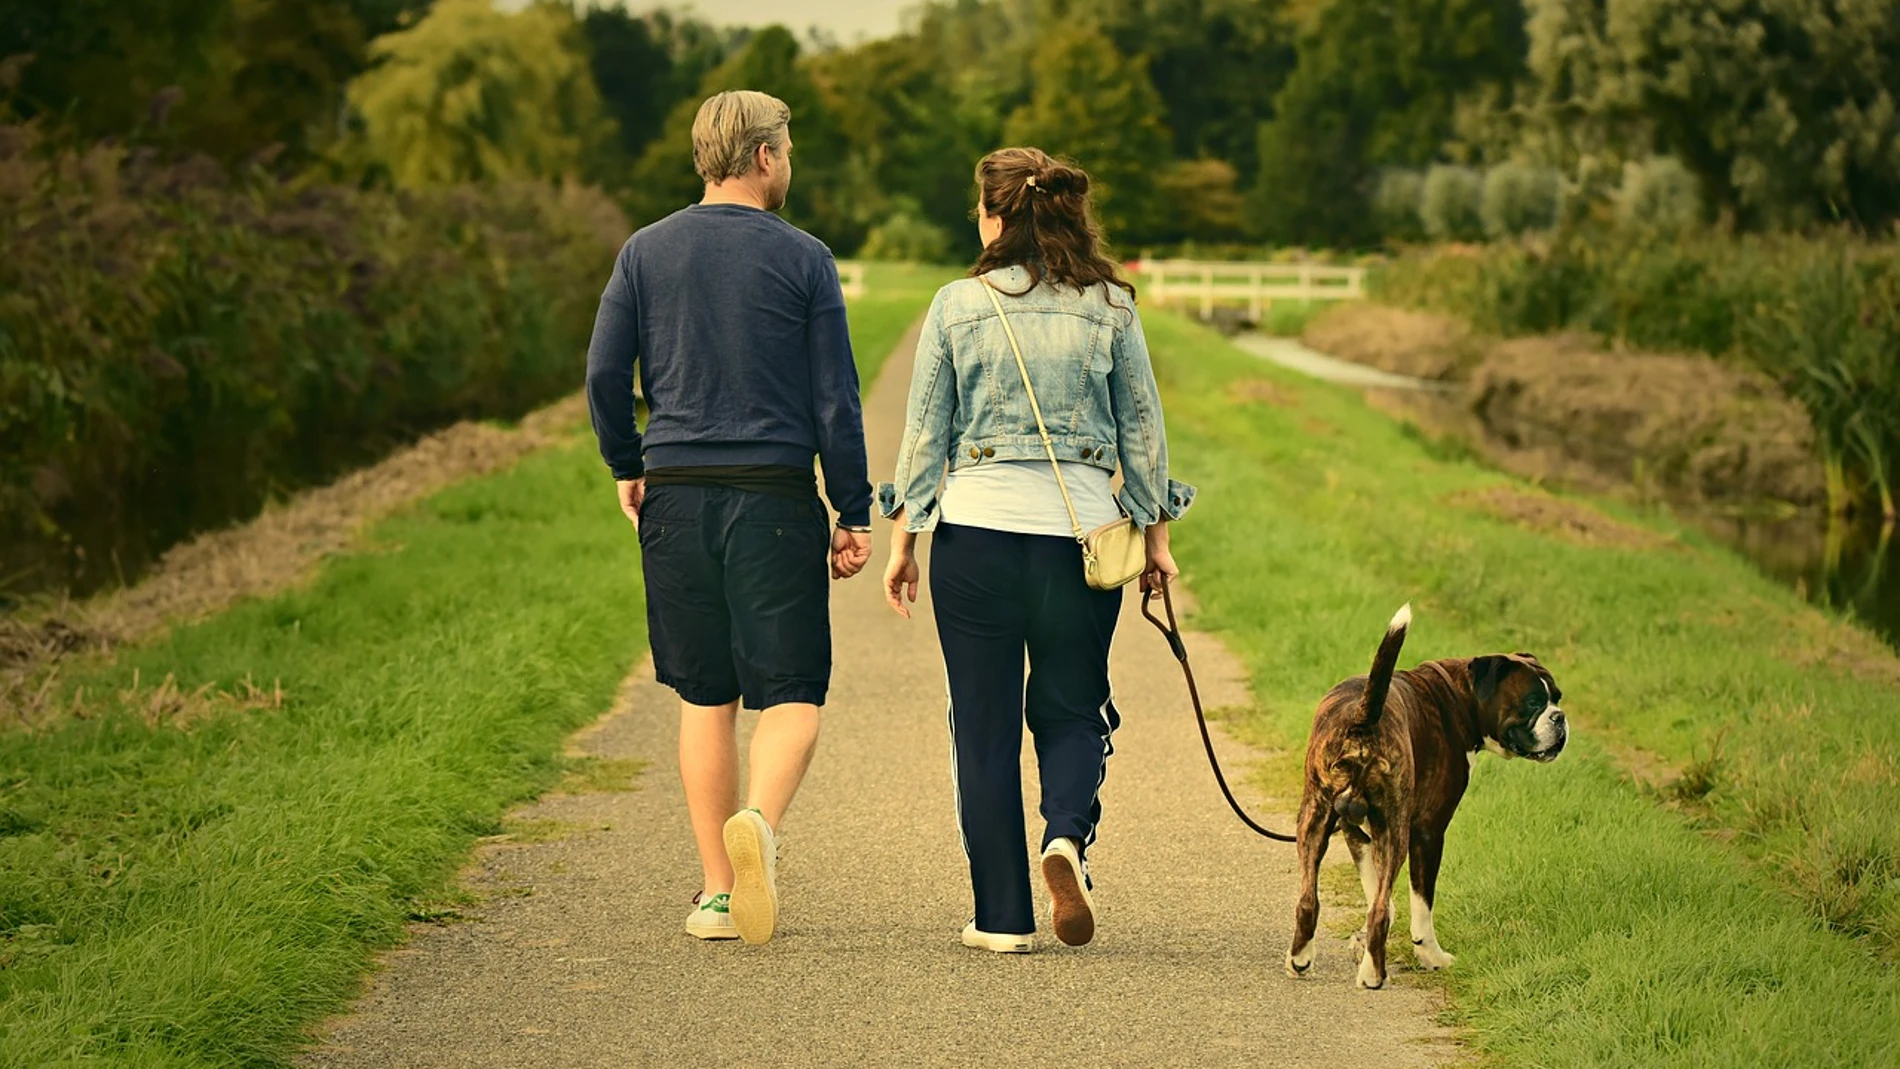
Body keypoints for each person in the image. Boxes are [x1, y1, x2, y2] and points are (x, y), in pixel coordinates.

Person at [878, 147, 1195, 953]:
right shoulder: (1112, 306)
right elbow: (1144, 434)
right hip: (1080, 543)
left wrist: (904, 540)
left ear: (994, 217)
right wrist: (1156, 539)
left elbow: (925, 436)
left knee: (982, 727)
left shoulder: (957, 305)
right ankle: (1065, 835)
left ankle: (1002, 918)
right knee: (1074, 707)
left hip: (974, 540)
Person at [584, 90, 873, 946]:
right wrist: (852, 508)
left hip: (675, 494)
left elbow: (604, 374)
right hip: (773, 497)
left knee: (705, 696)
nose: (789, 165)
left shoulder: (643, 251)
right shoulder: (805, 258)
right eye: (787, 151)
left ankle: (717, 891)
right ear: (763, 156)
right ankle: (759, 821)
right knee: (792, 692)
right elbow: (835, 397)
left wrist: (628, 463)